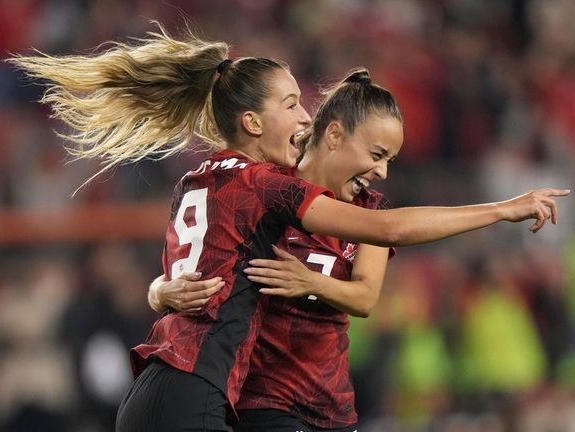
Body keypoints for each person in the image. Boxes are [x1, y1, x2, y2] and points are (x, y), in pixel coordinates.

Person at [9, 23, 568, 431]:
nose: (305, 116)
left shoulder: (201, 180)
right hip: (235, 401)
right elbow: (392, 230)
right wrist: (501, 209)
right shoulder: (273, 189)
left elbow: (191, 275)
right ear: (256, 122)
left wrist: (160, 291)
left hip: (199, 389)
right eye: (292, 104)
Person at [151, 67, 400, 432]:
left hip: (333, 406)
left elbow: (365, 298)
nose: (382, 172)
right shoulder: (270, 191)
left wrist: (311, 282)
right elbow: (201, 264)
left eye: (389, 160)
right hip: (261, 402)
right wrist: (159, 290)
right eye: (377, 154)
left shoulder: (370, 209)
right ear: (334, 136)